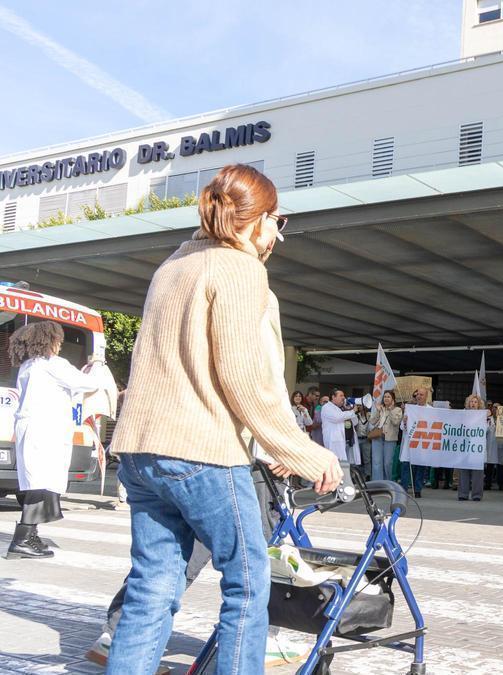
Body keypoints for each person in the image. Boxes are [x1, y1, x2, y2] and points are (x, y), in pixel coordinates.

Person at [106, 164, 342, 673]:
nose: (277, 235)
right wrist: (301, 451)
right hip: (202, 452)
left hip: (142, 450)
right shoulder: (240, 269)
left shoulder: (173, 264)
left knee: (152, 587)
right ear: (256, 221)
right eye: (277, 222)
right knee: (248, 583)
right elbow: (243, 377)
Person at [5, 321, 104, 560]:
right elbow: (90, 383)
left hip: (33, 429)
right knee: (41, 484)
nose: (60, 345)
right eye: (58, 340)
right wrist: (97, 365)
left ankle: (29, 536)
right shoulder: (53, 365)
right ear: (50, 341)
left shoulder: (28, 365)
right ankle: (22, 540)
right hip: (45, 430)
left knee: (36, 483)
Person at [457, 394, 489, 501]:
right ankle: (463, 494)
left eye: (475, 402)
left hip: (477, 447)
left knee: (477, 472)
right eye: (471, 402)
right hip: (465, 446)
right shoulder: (463, 414)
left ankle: (476, 495)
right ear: (468, 403)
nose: (473, 404)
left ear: (479, 404)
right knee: (463, 470)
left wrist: (487, 419)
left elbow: (487, 430)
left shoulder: (484, 416)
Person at [368, 391, 403, 482]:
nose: (386, 398)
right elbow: (372, 421)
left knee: (387, 463)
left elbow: (396, 422)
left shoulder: (398, 410)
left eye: (388, 397)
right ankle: (377, 483)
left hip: (390, 439)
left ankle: (388, 482)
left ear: (393, 399)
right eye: (385, 397)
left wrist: (390, 410)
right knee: (376, 462)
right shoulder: (381, 408)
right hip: (377, 437)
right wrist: (377, 411)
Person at [320, 389, 360, 463]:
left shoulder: (342, 409)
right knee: (336, 464)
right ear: (333, 397)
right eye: (341, 395)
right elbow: (337, 417)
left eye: (344, 395)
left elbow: (355, 422)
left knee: (345, 465)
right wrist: (352, 411)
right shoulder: (327, 407)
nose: (344, 398)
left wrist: (349, 409)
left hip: (347, 441)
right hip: (334, 442)